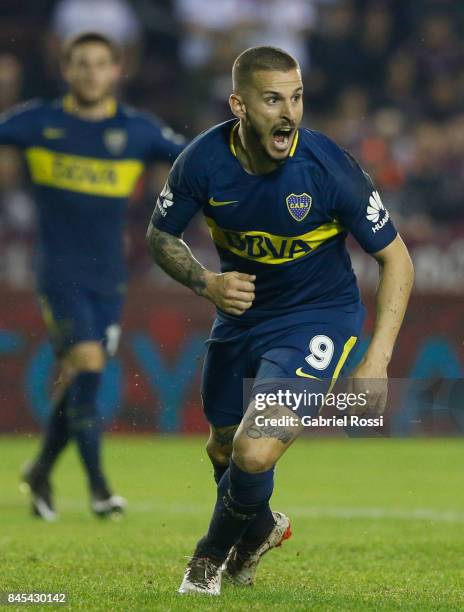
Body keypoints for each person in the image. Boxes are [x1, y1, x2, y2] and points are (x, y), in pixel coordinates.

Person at [147, 46, 414, 595]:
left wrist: (379, 358)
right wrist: (205, 281)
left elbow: (397, 259)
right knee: (222, 446)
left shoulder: (329, 168)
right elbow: (161, 234)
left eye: (296, 97)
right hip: (240, 319)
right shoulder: (201, 161)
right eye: (273, 99)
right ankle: (263, 528)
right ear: (239, 105)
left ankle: (208, 562)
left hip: (317, 319)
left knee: (254, 447)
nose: (289, 113)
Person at [0, 32, 184, 521]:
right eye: (81, 64)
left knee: (81, 379)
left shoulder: (138, 132)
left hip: (110, 279)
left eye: (100, 64)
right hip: (58, 272)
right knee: (88, 365)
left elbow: (193, 159)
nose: (91, 73)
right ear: (67, 69)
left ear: (116, 70)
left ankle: (40, 469)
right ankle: (100, 489)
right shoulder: (37, 123)